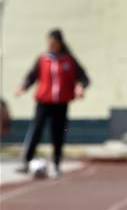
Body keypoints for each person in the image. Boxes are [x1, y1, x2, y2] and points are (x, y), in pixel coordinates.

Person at [15, 28, 90, 178]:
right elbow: (32, 76)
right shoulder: (42, 59)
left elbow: (83, 77)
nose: (50, 44)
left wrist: (80, 87)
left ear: (59, 43)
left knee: (59, 133)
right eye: (49, 41)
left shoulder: (68, 60)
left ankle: (56, 164)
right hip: (44, 101)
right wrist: (23, 87)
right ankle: (26, 161)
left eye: (53, 42)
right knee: (36, 129)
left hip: (61, 103)